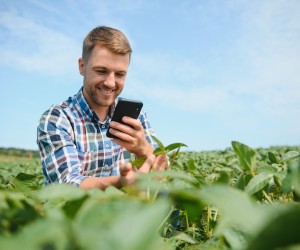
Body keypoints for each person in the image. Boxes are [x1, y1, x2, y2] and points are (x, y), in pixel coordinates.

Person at [36, 26, 167, 190]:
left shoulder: (136, 118)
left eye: (120, 74)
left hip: (126, 211)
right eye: (101, 71)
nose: (110, 83)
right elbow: (67, 185)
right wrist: (121, 182)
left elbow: (163, 177)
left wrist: (143, 149)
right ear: (82, 66)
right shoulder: (59, 119)